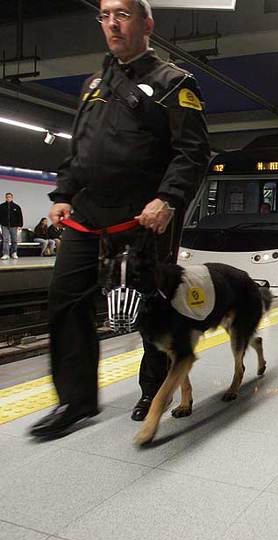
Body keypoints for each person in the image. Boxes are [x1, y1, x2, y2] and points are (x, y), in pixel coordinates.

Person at [30, 0, 210, 439]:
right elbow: (80, 150)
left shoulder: (173, 83)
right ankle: (75, 402)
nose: (112, 22)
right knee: (66, 300)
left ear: (146, 22)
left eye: (123, 14)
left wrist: (168, 199)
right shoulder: (94, 85)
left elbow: (193, 152)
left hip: (143, 218)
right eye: (105, 14)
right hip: (87, 217)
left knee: (151, 306)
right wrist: (63, 193)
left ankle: (153, 391)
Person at [0, 193, 23, 260]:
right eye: (7, 197)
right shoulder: (1, 206)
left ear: (12, 198)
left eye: (9, 197)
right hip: (4, 225)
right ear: (5, 198)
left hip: (14, 226)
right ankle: (6, 254)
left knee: (14, 240)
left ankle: (14, 252)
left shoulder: (16, 207)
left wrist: (20, 225)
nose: (8, 198)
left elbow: (20, 217)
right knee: (5, 240)